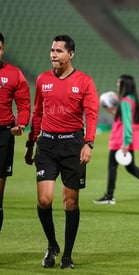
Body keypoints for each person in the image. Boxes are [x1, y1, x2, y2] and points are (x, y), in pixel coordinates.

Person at [24, 35, 99, 269]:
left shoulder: (85, 81)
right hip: (46, 144)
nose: (53, 55)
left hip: (73, 146)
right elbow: (37, 113)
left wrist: (89, 143)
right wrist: (30, 143)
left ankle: (67, 254)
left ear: (71, 54)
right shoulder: (43, 79)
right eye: (52, 50)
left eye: (58, 51)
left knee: (70, 203)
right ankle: (52, 245)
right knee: (44, 200)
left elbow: (92, 114)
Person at [94, 74, 139, 205]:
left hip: (120, 140)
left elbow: (127, 123)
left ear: (124, 85)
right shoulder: (132, 100)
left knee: (112, 167)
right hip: (125, 139)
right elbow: (127, 118)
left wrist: (126, 142)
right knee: (130, 168)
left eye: (119, 83)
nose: (117, 85)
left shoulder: (125, 101)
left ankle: (109, 196)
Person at [0, 33, 31, 232]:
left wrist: (21, 123)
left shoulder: (14, 74)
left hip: (3, 134)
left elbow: (24, 104)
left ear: (2, 49)